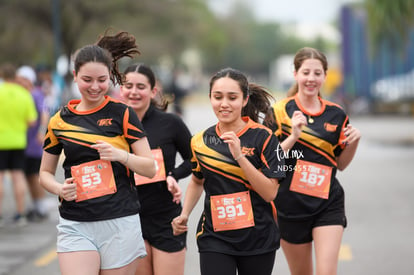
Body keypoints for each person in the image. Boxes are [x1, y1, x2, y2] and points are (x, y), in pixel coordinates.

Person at [39, 31, 156, 275]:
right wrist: (59, 189)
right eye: (87, 80)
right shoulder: (59, 121)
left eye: (102, 80)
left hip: (119, 221)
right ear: (75, 77)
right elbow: (45, 174)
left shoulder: (123, 113)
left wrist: (120, 155)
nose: (95, 87)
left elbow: (149, 167)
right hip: (75, 222)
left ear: (110, 77)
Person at [171, 67, 285, 275]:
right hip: (215, 237)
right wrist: (185, 214)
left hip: (258, 237)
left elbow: (270, 193)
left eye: (232, 97)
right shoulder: (200, 141)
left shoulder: (265, 138)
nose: (224, 104)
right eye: (218, 97)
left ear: (244, 100)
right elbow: (197, 180)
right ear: (210, 98)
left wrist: (240, 156)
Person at [266, 47, 361, 275]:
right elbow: (268, 161)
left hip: (328, 203)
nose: (311, 78)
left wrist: (354, 143)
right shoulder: (279, 112)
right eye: (306, 72)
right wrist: (293, 136)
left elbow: (340, 164)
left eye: (317, 73)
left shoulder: (337, 114)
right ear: (296, 73)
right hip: (289, 205)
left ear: (325, 76)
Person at [119, 64, 192, 275]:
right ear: (121, 89)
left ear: (153, 91)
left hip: (165, 217)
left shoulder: (171, 123)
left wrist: (173, 176)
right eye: (128, 85)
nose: (133, 92)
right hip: (128, 217)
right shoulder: (112, 125)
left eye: (141, 86)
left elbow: (194, 160)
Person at [0, 63, 37, 227]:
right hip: (18, 141)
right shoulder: (23, 94)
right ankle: (20, 214)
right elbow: (31, 121)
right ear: (15, 77)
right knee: (18, 177)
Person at [16, 65, 50, 221]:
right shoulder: (22, 94)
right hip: (25, 143)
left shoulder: (37, 94)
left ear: (29, 80)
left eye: (22, 79)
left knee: (35, 176)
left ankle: (41, 207)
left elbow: (44, 113)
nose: (19, 82)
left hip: (35, 143)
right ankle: (36, 205)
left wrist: (41, 131)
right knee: (29, 176)